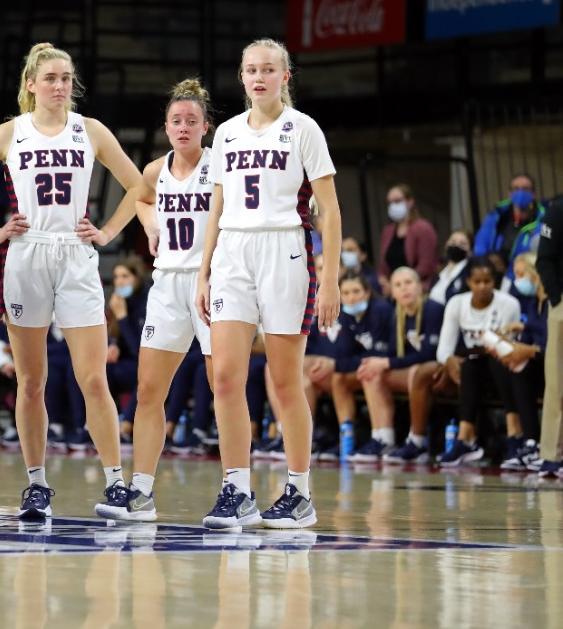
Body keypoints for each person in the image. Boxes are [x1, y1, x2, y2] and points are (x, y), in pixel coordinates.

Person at [0, 42, 150, 520]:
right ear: (30, 84)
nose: (60, 85)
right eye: (50, 78)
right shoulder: (10, 133)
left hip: (76, 256)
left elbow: (140, 186)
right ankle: (35, 486)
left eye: (66, 78)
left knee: (94, 378)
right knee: (32, 382)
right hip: (26, 255)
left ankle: (116, 484)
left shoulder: (89, 130)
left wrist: (109, 231)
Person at [196, 37, 342, 530]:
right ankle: (236, 488)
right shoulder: (228, 134)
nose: (259, 77)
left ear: (286, 76)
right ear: (241, 77)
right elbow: (216, 207)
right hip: (233, 253)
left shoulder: (303, 129)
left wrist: (331, 279)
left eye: (268, 69)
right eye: (251, 70)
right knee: (225, 377)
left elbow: (331, 209)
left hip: (286, 249)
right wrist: (204, 269)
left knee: (284, 381)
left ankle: (299, 492)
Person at [105, 77, 216, 521]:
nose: (183, 126)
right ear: (166, 127)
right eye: (176, 120)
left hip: (212, 282)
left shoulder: (221, 165)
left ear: (206, 126)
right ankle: (142, 492)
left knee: (223, 387)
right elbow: (142, 198)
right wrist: (150, 224)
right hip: (167, 283)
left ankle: (237, 487)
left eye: (192, 120)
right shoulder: (155, 169)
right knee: (150, 391)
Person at [435, 257, 521, 466]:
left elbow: (507, 348)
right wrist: (449, 360)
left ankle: (514, 435)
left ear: (495, 282)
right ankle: (466, 439)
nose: (482, 286)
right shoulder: (457, 304)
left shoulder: (508, 304)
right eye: (477, 282)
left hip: (505, 366)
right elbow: (444, 348)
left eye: (487, 281)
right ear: (468, 282)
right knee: (469, 367)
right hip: (475, 367)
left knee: (494, 361)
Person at [354, 267, 445, 465]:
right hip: (411, 370)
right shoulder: (398, 314)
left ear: (420, 286)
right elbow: (394, 353)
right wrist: (378, 362)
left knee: (416, 372)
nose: (404, 289)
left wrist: (387, 362)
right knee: (371, 372)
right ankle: (382, 437)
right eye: (398, 285)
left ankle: (417, 440)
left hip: (437, 371)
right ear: (393, 293)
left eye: (408, 283)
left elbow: (432, 353)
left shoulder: (434, 309)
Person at [325, 274, 395, 462]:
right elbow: (341, 359)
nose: (352, 297)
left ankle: (383, 438)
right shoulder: (347, 315)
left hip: (394, 364)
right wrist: (361, 360)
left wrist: (360, 360)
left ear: (367, 293)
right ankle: (346, 438)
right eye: (346, 293)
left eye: (356, 291)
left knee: (369, 372)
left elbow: (383, 352)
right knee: (339, 378)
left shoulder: (381, 310)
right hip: (370, 365)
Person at [495, 252, 547, 470]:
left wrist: (526, 334)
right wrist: (510, 345)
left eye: (521, 274)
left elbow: (550, 340)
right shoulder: (533, 301)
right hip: (539, 362)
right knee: (513, 367)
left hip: (553, 361)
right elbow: (527, 341)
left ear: (536, 274)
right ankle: (529, 441)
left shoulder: (555, 300)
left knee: (522, 369)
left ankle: (534, 441)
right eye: (515, 274)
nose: (518, 280)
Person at [104, 257, 147, 452]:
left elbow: (139, 350)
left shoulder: (147, 302)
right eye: (116, 277)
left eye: (125, 276)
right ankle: (108, 425)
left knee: (144, 374)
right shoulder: (119, 301)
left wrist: (122, 317)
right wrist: (112, 345)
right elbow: (115, 336)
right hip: (127, 363)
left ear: (137, 278)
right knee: (104, 370)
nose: (119, 282)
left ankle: (127, 428)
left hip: (145, 363)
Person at [535, 195, 563, 477]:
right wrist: (556, 299)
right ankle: (552, 456)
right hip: (562, 304)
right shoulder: (557, 210)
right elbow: (544, 259)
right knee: (557, 382)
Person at [474, 173, 545, 280]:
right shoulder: (496, 216)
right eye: (516, 189)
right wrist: (485, 264)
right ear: (509, 193)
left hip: (522, 278)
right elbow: (481, 244)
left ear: (533, 193)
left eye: (525, 189)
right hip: (490, 276)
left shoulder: (543, 220)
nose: (520, 193)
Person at [378, 184, 439, 293]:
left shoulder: (423, 228)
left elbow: (426, 266)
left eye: (397, 201)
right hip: (392, 290)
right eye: (390, 203)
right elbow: (383, 267)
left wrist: (400, 284)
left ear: (410, 202)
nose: (393, 205)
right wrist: (384, 281)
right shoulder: (387, 231)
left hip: (418, 288)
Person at [429, 230, 472, 305]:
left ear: (470, 251)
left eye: (462, 244)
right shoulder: (440, 271)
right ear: (446, 245)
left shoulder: (469, 272)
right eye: (453, 242)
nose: (456, 246)